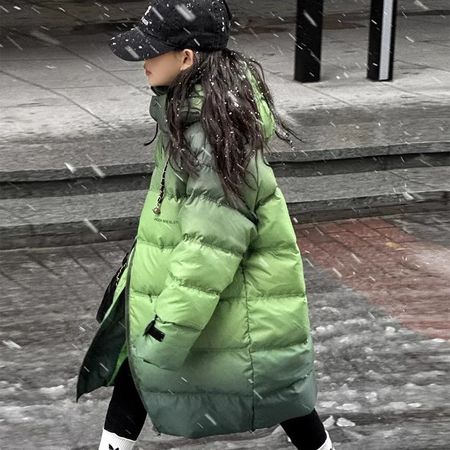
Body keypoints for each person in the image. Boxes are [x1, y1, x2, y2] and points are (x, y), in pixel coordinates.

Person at [76, 1, 335, 449]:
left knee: (274, 386)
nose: (144, 61)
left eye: (152, 50)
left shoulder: (209, 133)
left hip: (225, 289)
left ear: (186, 58)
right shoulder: (189, 112)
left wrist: (169, 324)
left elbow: (211, 243)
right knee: (266, 388)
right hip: (194, 285)